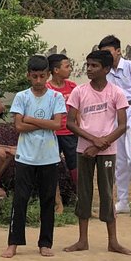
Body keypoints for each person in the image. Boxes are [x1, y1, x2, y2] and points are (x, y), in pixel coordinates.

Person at [64, 50, 131, 255]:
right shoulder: (79, 92)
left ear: (107, 69)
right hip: (84, 150)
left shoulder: (116, 92)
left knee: (107, 193)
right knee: (84, 193)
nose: (89, 69)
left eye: (94, 65)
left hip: (107, 151)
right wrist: (93, 141)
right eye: (88, 65)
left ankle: (113, 241)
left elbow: (122, 125)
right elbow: (70, 123)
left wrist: (101, 144)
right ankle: (82, 240)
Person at [2, 55, 66, 259]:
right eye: (34, 76)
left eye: (42, 76)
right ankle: (13, 243)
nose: (38, 80)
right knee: (20, 200)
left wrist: (30, 119)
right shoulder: (22, 97)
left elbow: (57, 124)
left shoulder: (56, 97)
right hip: (26, 156)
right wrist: (42, 122)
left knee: (48, 200)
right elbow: (19, 126)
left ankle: (45, 243)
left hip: (49, 156)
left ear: (48, 75)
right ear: (28, 75)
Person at [99, 35, 131, 217]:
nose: (105, 56)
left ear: (118, 51)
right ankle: (122, 200)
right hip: (115, 114)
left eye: (108, 52)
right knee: (119, 160)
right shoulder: (105, 71)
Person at [47, 52, 79, 190]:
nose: (70, 69)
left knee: (75, 165)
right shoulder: (47, 89)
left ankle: (79, 194)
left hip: (70, 133)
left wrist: (80, 131)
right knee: (51, 166)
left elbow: (78, 111)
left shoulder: (73, 87)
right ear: (56, 70)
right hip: (52, 134)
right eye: (67, 66)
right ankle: (54, 197)